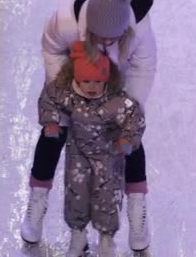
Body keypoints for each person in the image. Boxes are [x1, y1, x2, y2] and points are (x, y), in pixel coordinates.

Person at [20, 0, 156, 252]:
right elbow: (51, 49)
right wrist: (67, 95)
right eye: (100, 35)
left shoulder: (139, 28)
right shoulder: (66, 20)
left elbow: (144, 68)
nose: (106, 40)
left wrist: (128, 110)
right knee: (53, 131)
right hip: (76, 78)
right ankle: (37, 200)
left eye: (113, 37)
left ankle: (136, 208)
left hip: (116, 83)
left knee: (129, 136)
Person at [39, 41, 145, 256]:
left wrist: (127, 139)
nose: (92, 86)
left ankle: (106, 239)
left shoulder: (115, 100)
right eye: (86, 80)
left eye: (98, 81)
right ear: (77, 77)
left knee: (107, 196)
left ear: (106, 78)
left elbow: (134, 118)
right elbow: (49, 97)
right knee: (76, 193)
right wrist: (50, 122)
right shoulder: (70, 95)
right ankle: (78, 236)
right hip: (78, 156)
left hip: (108, 157)